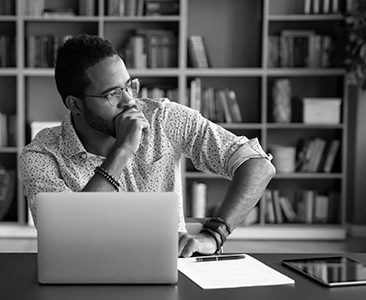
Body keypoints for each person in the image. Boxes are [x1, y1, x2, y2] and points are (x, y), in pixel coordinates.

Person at [19, 34, 275, 257]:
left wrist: (215, 233)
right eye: (112, 94)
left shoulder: (164, 118)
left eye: (129, 85)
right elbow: (64, 236)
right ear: (75, 105)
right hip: (88, 280)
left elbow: (259, 165)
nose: (130, 101)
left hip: (171, 271)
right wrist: (123, 150)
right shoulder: (41, 156)